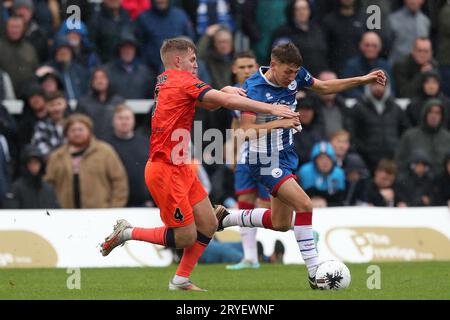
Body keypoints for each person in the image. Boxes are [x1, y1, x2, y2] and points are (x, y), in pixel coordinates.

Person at [99, 37, 299, 292]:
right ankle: (127, 232)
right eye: (193, 60)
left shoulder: (167, 81)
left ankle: (180, 280)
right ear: (178, 60)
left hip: (182, 166)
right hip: (165, 169)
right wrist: (272, 108)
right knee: (185, 236)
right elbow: (225, 103)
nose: (196, 65)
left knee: (208, 223)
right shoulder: (182, 80)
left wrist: (224, 90)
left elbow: (210, 102)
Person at [214, 42, 386, 289]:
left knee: (281, 223)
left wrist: (364, 80)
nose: (292, 78)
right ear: (273, 65)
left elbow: (325, 86)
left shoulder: (296, 76)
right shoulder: (253, 88)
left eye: (296, 72)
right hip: (263, 160)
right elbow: (245, 132)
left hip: (285, 157)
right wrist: (279, 123)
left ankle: (228, 217)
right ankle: (315, 273)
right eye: (288, 72)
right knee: (304, 204)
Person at [225, 51, 270, 271]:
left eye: (250, 66)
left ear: (257, 66)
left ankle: (298, 226)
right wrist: (233, 152)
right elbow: (236, 125)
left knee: (267, 207)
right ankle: (250, 257)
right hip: (246, 155)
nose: (247, 70)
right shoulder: (234, 94)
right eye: (242, 67)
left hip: (269, 154)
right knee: (244, 203)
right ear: (234, 69)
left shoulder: (266, 89)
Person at [45, 114, 129, 208]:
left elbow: (119, 181)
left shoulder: (105, 151)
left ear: (89, 131)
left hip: (100, 213)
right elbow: (48, 185)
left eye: (80, 129)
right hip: (66, 215)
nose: (77, 133)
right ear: (66, 133)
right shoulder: (56, 156)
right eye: (72, 130)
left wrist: (113, 209)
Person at [349, 73, 410, 171]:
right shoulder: (358, 108)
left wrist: (398, 150)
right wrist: (364, 151)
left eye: (381, 84)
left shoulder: (396, 108)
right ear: (368, 86)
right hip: (366, 161)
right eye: (374, 84)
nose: (378, 87)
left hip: (392, 160)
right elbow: (352, 134)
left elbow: (405, 131)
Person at [105, 104, 151, 207]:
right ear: (113, 121)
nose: (124, 121)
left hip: (143, 203)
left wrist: (151, 198)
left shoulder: (146, 142)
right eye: (120, 118)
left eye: (127, 118)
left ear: (133, 120)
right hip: (114, 203)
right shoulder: (105, 145)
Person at [270, 0, 328, 77]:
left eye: (305, 9)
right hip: (295, 77)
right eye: (298, 9)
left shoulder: (318, 30)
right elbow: (280, 62)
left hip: (320, 75)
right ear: (292, 12)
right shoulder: (283, 32)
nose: (302, 12)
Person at [395, 99, 450, 177]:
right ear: (425, 114)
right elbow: (399, 164)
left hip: (443, 186)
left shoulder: (448, 138)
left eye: (438, 113)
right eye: (430, 112)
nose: (434, 116)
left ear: (442, 116)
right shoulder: (409, 136)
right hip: (415, 184)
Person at [3, 145, 59, 209]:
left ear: (41, 164)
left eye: (36, 162)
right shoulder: (16, 189)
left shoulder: (49, 189)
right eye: (30, 162)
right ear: (25, 165)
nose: (33, 166)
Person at [341, 31, 394, 98]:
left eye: (374, 46)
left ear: (380, 47)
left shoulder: (386, 66)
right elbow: (348, 90)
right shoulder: (351, 66)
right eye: (367, 45)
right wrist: (370, 96)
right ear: (360, 45)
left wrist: (381, 92)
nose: (370, 49)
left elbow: (391, 90)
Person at [76, 68, 125, 140]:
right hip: (91, 142)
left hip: (116, 142)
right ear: (92, 82)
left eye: (103, 77)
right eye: (96, 78)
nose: (100, 81)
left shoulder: (118, 102)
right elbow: (77, 124)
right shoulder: (83, 103)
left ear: (108, 80)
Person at [104, 32, 156, 99]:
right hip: (115, 108)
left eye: (130, 48)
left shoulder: (146, 73)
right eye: (124, 48)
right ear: (119, 50)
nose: (127, 51)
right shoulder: (107, 71)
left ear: (135, 51)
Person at [297, 141, 346, 207]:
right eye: (321, 158)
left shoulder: (339, 173)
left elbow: (341, 201)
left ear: (333, 160)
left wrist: (327, 204)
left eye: (328, 158)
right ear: (315, 161)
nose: (325, 162)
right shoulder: (305, 172)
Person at [0, 15, 39, 97]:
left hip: (28, 97)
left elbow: (35, 70)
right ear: (6, 28)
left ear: (23, 28)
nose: (15, 30)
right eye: (12, 27)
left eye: (17, 27)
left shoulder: (29, 48)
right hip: (5, 97)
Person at [387, 0, 430, 64]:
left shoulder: (425, 21)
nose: (413, 1)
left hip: (419, 69)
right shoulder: (392, 20)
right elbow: (387, 46)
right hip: (397, 66)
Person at [31, 91, 67, 159]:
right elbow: (42, 151)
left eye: (59, 104)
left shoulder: (73, 124)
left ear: (65, 104)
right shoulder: (41, 127)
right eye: (52, 105)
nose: (56, 108)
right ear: (46, 107)